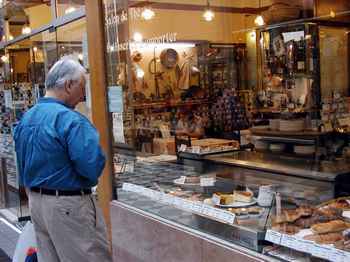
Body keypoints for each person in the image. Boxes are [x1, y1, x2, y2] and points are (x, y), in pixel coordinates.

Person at [14, 57, 112, 262]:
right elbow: (92, 167)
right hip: (68, 204)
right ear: (69, 85)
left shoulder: (27, 117)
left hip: (37, 202)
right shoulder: (71, 120)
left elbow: (21, 165)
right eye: (82, 87)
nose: (83, 95)